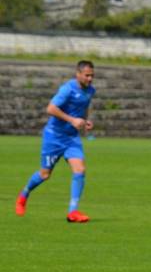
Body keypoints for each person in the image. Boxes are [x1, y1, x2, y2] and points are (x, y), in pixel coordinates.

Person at [15, 60, 95, 223]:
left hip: (71, 138)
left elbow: (84, 106)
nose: (90, 79)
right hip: (54, 137)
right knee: (45, 174)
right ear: (78, 74)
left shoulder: (90, 90)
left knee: (79, 169)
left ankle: (72, 212)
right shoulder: (67, 89)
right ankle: (24, 194)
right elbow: (50, 109)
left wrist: (85, 120)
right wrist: (72, 120)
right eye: (87, 75)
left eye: (92, 75)